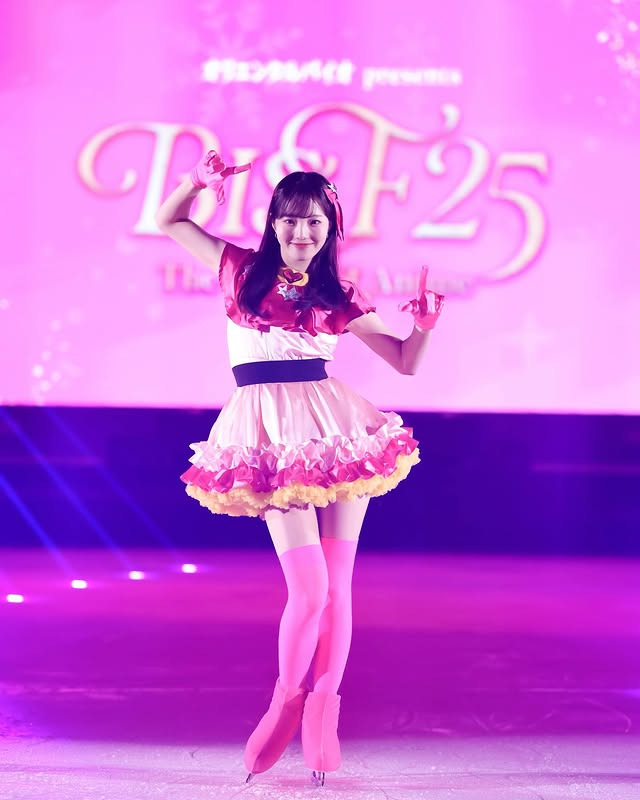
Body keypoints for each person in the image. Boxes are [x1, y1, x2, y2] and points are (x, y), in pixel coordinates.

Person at [155, 151, 445, 786]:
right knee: (309, 590)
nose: (301, 231)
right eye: (289, 218)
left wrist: (424, 325)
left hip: (336, 432)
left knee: (338, 588)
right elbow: (169, 220)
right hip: (268, 436)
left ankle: (323, 713)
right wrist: (197, 182)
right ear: (273, 222)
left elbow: (405, 361)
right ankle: (286, 702)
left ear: (330, 227)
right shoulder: (238, 269)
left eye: (314, 221)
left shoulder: (338, 293)